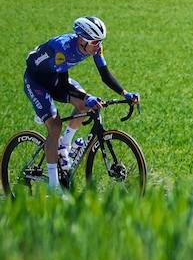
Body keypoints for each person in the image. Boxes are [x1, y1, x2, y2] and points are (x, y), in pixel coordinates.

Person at [23, 17, 140, 192]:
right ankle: (54, 187)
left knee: (86, 106)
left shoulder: (94, 48)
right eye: (94, 42)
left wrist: (125, 93)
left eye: (100, 41)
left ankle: (64, 146)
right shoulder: (62, 48)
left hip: (56, 78)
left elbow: (105, 75)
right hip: (37, 82)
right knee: (55, 126)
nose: (98, 46)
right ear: (81, 39)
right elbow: (64, 86)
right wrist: (86, 97)